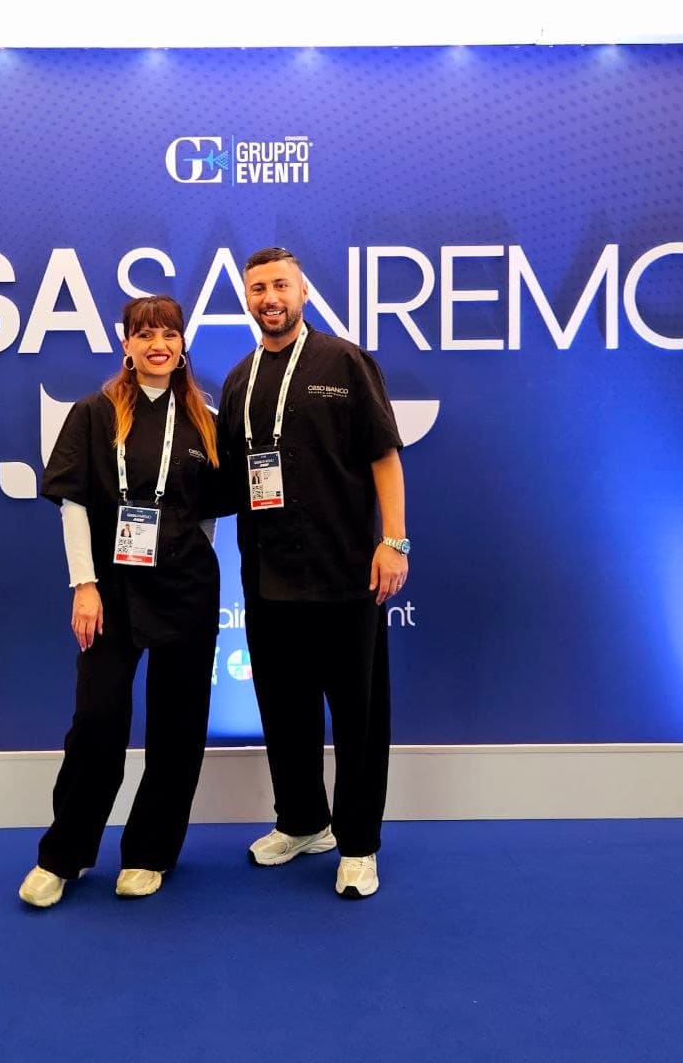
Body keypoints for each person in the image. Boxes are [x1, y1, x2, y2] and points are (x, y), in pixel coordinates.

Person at [217, 247, 409, 900]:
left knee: (357, 717)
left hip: (347, 574)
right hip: (267, 580)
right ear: (247, 299)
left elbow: (384, 454)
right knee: (285, 709)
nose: (269, 296)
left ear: (301, 292)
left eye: (279, 285)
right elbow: (229, 483)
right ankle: (302, 823)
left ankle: (358, 845)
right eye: (257, 287)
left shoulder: (344, 362)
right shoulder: (239, 381)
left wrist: (395, 541)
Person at [18, 295, 221, 906]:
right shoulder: (93, 413)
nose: (159, 344)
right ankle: (64, 856)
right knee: (98, 722)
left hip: (186, 591)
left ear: (182, 343)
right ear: (126, 344)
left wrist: (184, 554)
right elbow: (75, 504)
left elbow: (205, 516)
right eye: (146, 333)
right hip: (110, 591)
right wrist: (84, 584)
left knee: (178, 727)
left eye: (170, 333)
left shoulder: (205, 418)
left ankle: (151, 853)